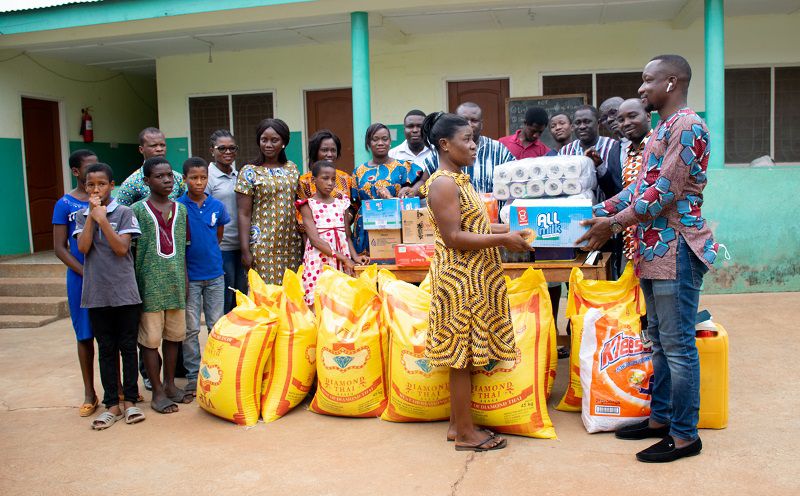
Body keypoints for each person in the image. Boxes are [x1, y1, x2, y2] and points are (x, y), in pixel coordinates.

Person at [578, 54, 718, 463]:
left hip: (677, 248)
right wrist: (594, 214)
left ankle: (685, 435)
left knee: (677, 347)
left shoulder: (688, 127)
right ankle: (659, 419)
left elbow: (665, 194)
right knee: (657, 340)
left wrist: (613, 224)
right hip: (653, 250)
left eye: (646, 80)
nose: (640, 89)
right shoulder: (662, 130)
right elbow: (640, 187)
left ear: (671, 82)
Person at [420, 111, 532, 451]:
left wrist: (511, 230)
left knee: (465, 357)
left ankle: (458, 425)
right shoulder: (442, 182)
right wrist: (504, 240)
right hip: (459, 282)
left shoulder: (460, 181)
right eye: (466, 140)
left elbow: (476, 227)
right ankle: (467, 436)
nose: (474, 146)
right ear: (444, 144)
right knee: (461, 359)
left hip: (473, 277)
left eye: (475, 140)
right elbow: (454, 236)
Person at [74, 163, 145, 429]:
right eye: (90, 185)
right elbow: (83, 247)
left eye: (101, 184)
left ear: (111, 186)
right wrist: (93, 217)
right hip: (97, 293)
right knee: (105, 348)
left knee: (128, 346)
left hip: (125, 292)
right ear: (85, 187)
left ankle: (130, 401)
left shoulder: (125, 212)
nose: (96, 189)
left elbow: (120, 248)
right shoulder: (82, 216)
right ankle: (111, 404)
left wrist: (105, 219)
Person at [132, 157, 191, 413]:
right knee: (150, 340)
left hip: (176, 282)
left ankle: (170, 385)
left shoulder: (181, 210)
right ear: (147, 181)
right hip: (149, 285)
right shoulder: (136, 211)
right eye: (159, 176)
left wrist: (186, 280)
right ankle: (156, 391)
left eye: (169, 175)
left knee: (174, 337)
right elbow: (131, 252)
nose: (167, 180)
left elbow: (183, 251)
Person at [178, 157, 230, 395]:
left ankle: (217, 369)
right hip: (190, 277)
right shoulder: (178, 207)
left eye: (203, 178)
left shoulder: (217, 207)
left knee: (216, 325)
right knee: (190, 329)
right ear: (185, 179)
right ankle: (192, 376)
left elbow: (218, 237)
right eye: (193, 178)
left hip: (215, 275)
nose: (199, 182)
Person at [52, 149, 98, 417]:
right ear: (76, 171)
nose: (94, 173)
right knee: (85, 334)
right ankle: (89, 393)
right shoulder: (65, 204)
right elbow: (60, 248)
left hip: (106, 277)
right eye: (89, 169)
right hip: (80, 278)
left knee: (109, 334)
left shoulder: (106, 200)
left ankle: (116, 389)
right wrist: (83, 271)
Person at [235, 118, 302, 284]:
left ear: (284, 142)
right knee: (266, 298)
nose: (268, 144)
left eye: (274, 140)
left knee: (290, 297)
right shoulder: (249, 172)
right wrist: (245, 250)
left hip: (291, 245)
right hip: (262, 246)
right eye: (264, 139)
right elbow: (244, 213)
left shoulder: (292, 168)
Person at [297, 160, 367, 308]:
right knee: (319, 301)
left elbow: (346, 236)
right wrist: (344, 258)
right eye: (325, 178)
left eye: (333, 179)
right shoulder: (307, 205)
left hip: (342, 261)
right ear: (314, 180)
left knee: (342, 302)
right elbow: (315, 240)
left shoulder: (342, 203)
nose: (330, 183)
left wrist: (355, 257)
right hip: (319, 260)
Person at [352, 123, 424, 255]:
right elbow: (354, 204)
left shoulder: (403, 167)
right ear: (368, 143)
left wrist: (410, 189)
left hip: (396, 227)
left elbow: (424, 183)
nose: (380, 143)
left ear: (390, 142)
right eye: (375, 139)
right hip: (365, 230)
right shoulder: (359, 172)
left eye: (384, 139)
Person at [421, 102, 513, 195]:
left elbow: (517, 177)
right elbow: (424, 183)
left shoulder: (498, 150)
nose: (469, 124)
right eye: (463, 120)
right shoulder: (440, 153)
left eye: (474, 120)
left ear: (481, 123)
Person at [206, 130, 247, 314]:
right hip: (222, 247)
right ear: (211, 151)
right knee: (224, 299)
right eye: (221, 148)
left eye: (232, 148)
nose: (228, 152)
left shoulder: (238, 175)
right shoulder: (207, 177)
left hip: (242, 246)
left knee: (240, 298)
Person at [615, 98, 653, 262]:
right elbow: (629, 195)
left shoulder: (657, 145)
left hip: (655, 245)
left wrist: (609, 223)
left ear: (648, 116)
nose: (626, 123)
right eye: (621, 120)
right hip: (631, 241)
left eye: (632, 116)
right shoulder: (629, 152)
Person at [559, 105, 622, 201]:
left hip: (607, 211)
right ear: (572, 126)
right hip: (573, 209)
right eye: (578, 123)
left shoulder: (613, 147)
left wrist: (600, 167)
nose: (582, 126)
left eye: (587, 122)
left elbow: (617, 185)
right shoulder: (565, 151)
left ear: (598, 123)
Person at [116, 127, 186, 206]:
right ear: (141, 149)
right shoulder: (131, 183)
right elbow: (120, 213)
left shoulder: (178, 178)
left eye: (162, 145)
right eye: (153, 146)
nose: (159, 149)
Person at [297, 129, 358, 213]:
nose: (329, 154)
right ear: (315, 152)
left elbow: (353, 206)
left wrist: (347, 218)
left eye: (333, 150)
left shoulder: (346, 179)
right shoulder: (304, 182)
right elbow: (301, 213)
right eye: (324, 150)